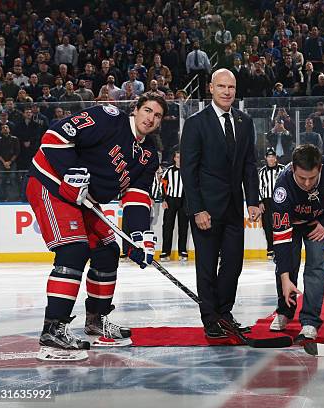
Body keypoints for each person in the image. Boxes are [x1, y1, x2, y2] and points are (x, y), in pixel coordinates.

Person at [26, 92, 167, 361]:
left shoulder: (148, 156)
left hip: (84, 198)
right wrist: (71, 172)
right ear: (135, 110)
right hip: (52, 183)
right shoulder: (108, 118)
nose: (151, 118)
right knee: (73, 251)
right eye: (147, 110)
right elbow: (56, 135)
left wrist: (137, 238)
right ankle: (53, 327)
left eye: (157, 115)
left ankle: (96, 319)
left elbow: (136, 198)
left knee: (107, 251)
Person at [180, 69, 260, 339]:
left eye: (232, 87)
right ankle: (210, 319)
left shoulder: (245, 121)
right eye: (222, 86)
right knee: (206, 266)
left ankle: (225, 315)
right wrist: (197, 208)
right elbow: (188, 171)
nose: (227, 92)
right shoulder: (195, 123)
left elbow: (250, 164)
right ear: (210, 88)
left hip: (235, 208)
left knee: (233, 264)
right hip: (206, 210)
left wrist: (253, 199)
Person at [269, 144, 324, 342]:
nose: (307, 183)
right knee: (288, 265)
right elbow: (281, 238)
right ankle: (284, 311)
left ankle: (310, 320)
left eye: (312, 178)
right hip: (292, 226)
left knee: (315, 265)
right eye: (301, 178)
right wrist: (285, 278)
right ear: (293, 168)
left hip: (319, 223)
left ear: (320, 168)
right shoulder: (282, 187)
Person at [160, 151, 189, 262]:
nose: (179, 159)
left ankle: (182, 251)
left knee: (183, 227)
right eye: (178, 157)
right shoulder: (168, 171)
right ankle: (165, 251)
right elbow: (163, 185)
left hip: (184, 201)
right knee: (167, 226)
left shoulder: (187, 170)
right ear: (174, 158)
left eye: (181, 157)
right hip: (171, 201)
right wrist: (163, 199)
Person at [258, 148, 286, 259]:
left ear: (275, 158)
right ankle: (270, 249)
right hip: (267, 201)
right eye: (269, 156)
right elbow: (258, 188)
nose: (271, 159)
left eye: (272, 156)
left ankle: (280, 248)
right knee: (268, 225)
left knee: (280, 224)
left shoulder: (283, 169)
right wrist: (260, 202)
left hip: (280, 200)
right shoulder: (261, 172)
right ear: (266, 158)